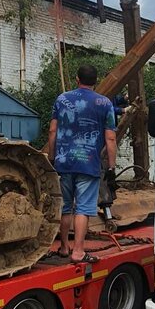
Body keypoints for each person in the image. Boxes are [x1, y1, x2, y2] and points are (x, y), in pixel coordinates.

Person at [47, 63, 117, 262]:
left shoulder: (62, 99)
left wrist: (52, 158)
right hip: (88, 163)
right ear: (95, 82)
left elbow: (52, 131)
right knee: (84, 208)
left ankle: (63, 247)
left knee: (65, 206)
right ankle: (78, 251)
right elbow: (110, 139)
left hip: (63, 162)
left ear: (77, 79)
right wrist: (111, 166)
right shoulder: (104, 104)